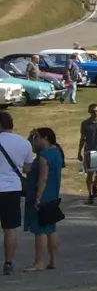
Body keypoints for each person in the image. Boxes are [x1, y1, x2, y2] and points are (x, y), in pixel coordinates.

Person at [23, 127, 62, 271]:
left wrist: (38, 197)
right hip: (52, 195)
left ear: (44, 138)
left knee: (39, 230)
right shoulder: (56, 152)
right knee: (51, 229)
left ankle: (39, 261)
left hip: (42, 195)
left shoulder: (44, 156)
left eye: (36, 137)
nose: (34, 141)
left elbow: (43, 178)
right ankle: (53, 260)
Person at [0, 112, 32, 275]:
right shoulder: (24, 143)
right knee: (10, 228)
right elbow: (27, 168)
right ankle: (8, 262)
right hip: (12, 188)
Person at [79, 104, 97, 204]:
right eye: (93, 111)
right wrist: (79, 152)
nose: (95, 113)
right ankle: (90, 195)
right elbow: (82, 138)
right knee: (90, 173)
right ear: (89, 112)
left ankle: (94, 184)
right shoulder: (85, 124)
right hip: (90, 151)